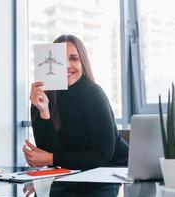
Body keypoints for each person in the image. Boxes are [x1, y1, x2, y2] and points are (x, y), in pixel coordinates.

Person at [23, 34, 129, 170]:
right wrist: (44, 111)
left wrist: (50, 158)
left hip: (114, 173)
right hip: (74, 176)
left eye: (74, 59)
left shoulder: (93, 93)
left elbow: (103, 155)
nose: (67, 65)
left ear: (83, 64)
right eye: (59, 59)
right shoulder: (42, 98)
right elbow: (48, 154)